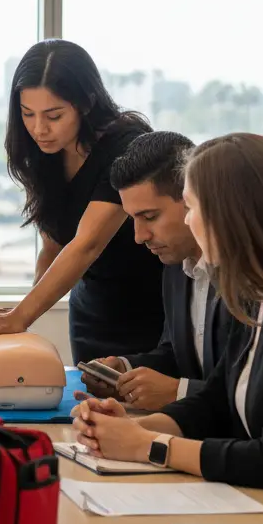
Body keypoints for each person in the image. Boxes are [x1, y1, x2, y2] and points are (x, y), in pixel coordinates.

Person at [73, 134, 263, 507]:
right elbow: (216, 402)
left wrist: (151, 447)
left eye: (190, 207)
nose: (189, 221)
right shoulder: (256, 294)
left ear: (231, 212)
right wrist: (128, 429)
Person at [0, 40, 164, 364]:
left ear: (86, 103)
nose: (39, 129)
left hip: (147, 309)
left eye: (54, 115)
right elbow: (53, 246)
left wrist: (21, 316)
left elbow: (87, 244)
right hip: (90, 311)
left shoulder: (125, 147)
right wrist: (23, 312)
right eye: (28, 114)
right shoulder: (45, 154)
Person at [80, 131, 231, 410]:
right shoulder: (174, 266)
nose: (139, 236)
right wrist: (125, 370)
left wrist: (181, 392)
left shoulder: (250, 274)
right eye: (133, 219)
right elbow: (177, 353)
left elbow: (255, 391)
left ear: (192, 199)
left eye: (149, 217)